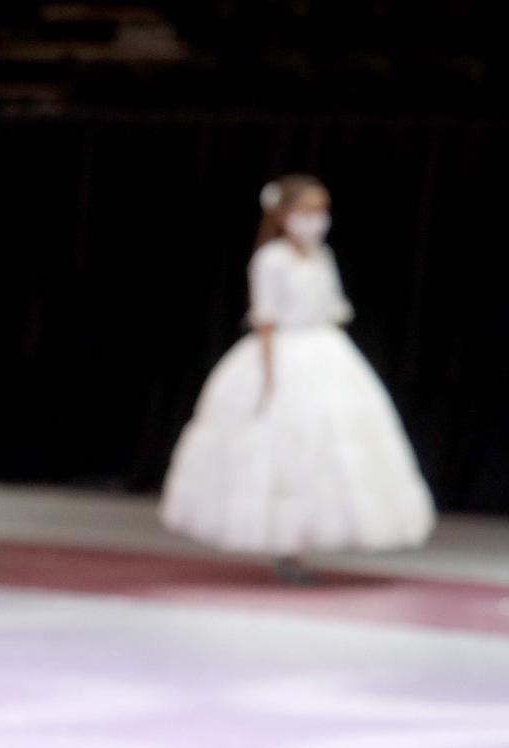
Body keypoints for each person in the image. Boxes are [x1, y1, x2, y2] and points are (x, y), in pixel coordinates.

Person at [160, 174, 436, 583]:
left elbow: (332, 309)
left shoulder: (320, 255)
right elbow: (266, 319)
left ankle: (303, 542)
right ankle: (285, 547)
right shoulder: (271, 259)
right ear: (284, 214)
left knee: (334, 447)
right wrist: (268, 379)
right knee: (280, 447)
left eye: (320, 211)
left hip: (324, 351)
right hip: (285, 353)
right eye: (307, 211)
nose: (316, 220)